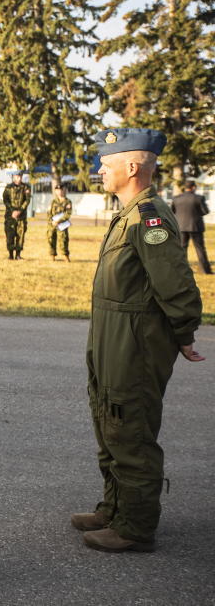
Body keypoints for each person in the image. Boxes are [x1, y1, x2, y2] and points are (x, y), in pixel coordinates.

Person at [72, 128, 203, 553]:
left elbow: (176, 285)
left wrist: (183, 333)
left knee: (131, 428)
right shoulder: (129, 214)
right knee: (109, 420)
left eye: (106, 164)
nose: (99, 170)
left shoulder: (150, 218)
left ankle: (135, 526)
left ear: (132, 167)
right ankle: (114, 508)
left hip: (135, 343)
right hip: (113, 339)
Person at [171, 180, 212, 274]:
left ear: (185, 188)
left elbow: (172, 211)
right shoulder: (199, 198)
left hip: (181, 227)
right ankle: (205, 270)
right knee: (200, 248)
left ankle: (181, 270)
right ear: (193, 187)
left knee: (182, 249)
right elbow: (205, 211)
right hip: (196, 226)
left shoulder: (176, 198)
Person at [2, 171, 31, 260]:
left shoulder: (26, 187)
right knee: (10, 234)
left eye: (20, 177)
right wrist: (12, 211)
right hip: (10, 216)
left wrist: (20, 211)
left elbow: (27, 200)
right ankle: (10, 254)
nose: (18, 178)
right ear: (13, 177)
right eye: (17, 177)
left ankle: (18, 254)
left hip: (21, 216)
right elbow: (5, 200)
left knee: (20, 235)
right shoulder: (8, 188)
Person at [47, 182, 73, 262]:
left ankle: (65, 255)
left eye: (61, 190)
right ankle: (52, 255)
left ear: (64, 190)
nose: (59, 192)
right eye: (57, 190)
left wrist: (58, 221)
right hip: (52, 224)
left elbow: (68, 214)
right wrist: (52, 222)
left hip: (62, 225)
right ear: (55, 191)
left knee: (63, 240)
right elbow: (49, 213)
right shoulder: (53, 201)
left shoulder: (68, 202)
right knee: (51, 239)